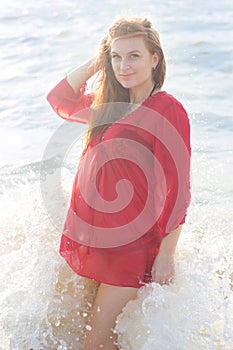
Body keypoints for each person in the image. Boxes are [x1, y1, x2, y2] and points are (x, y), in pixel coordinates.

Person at [47, 16, 191, 350]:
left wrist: (166, 255)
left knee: (95, 340)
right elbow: (59, 99)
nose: (123, 65)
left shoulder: (168, 108)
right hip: (98, 242)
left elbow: (179, 190)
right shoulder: (110, 105)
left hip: (132, 247)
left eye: (134, 56)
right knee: (103, 337)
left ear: (155, 58)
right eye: (116, 57)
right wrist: (99, 60)